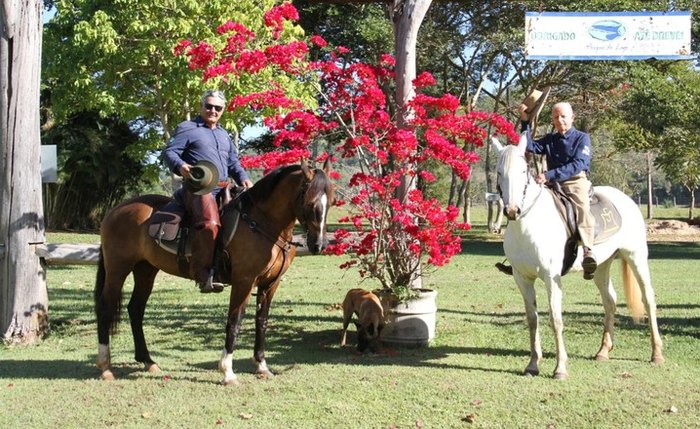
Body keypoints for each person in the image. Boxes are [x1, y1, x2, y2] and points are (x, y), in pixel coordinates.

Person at [163, 89, 254, 293]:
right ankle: (204, 274)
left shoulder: (224, 134)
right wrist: (181, 167)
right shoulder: (187, 128)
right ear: (201, 106)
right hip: (197, 187)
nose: (213, 110)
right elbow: (170, 152)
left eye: (218, 108)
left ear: (223, 110)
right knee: (210, 224)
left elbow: (233, 163)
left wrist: (244, 179)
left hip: (224, 189)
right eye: (209, 106)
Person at [519, 99, 597, 280]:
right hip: (552, 184)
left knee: (582, 207)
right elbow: (529, 146)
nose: (560, 120)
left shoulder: (582, 138)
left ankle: (588, 250)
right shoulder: (550, 139)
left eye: (563, 116)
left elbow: (579, 164)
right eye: (556, 117)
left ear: (572, 117)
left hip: (575, 181)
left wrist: (548, 174)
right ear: (552, 120)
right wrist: (525, 121)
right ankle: (522, 255)